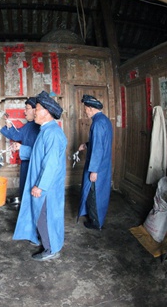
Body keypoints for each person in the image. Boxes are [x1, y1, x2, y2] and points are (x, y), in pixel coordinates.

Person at [13, 91, 67, 261]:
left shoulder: (52, 133)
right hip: (43, 183)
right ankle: (47, 242)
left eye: (36, 108)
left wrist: (41, 186)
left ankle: (51, 249)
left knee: (45, 217)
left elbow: (51, 164)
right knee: (42, 215)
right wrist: (21, 149)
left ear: (46, 112)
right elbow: (39, 155)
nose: (34, 112)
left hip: (47, 187)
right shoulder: (46, 130)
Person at [76, 94, 113, 230]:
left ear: (91, 108)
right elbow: (101, 142)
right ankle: (97, 218)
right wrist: (86, 145)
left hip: (98, 166)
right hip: (105, 163)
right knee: (100, 192)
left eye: (85, 108)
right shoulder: (105, 120)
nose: (85, 111)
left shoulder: (97, 123)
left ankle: (95, 222)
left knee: (94, 193)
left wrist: (93, 170)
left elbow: (97, 149)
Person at [0, 97, 40, 208]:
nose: (24, 111)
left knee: (34, 190)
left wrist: (22, 148)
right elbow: (17, 135)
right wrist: (9, 127)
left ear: (35, 110)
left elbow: (41, 153)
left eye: (27, 109)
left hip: (35, 165)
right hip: (26, 163)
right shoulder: (28, 126)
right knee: (26, 189)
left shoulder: (42, 127)